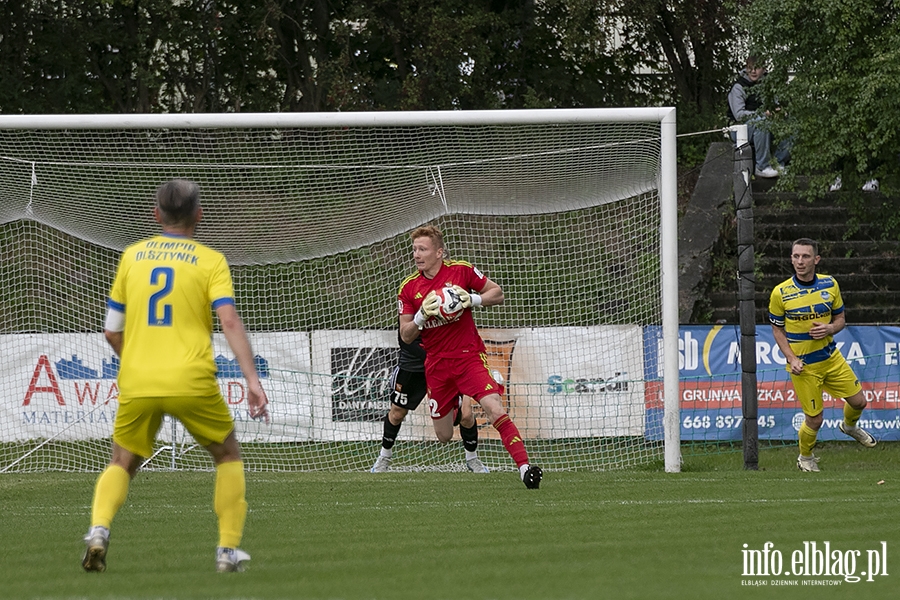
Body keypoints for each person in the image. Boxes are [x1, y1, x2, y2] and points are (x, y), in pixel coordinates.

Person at [82, 179, 269, 573]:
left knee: (121, 461)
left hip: (138, 380)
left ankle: (98, 530)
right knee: (227, 454)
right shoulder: (210, 260)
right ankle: (227, 551)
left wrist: (136, 361)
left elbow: (111, 331)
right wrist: (252, 380)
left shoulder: (132, 256)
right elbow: (229, 319)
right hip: (191, 379)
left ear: (156, 215)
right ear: (199, 215)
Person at [398, 225, 542, 489]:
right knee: (443, 435)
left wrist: (471, 300)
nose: (416, 255)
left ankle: (524, 468)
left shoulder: (461, 271)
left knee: (495, 408)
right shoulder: (409, 288)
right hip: (437, 365)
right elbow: (406, 335)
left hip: (468, 357)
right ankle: (457, 400)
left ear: (439, 252)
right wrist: (420, 316)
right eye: (414, 249)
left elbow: (497, 293)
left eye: (422, 249)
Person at [768, 238, 876, 472]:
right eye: (795, 256)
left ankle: (849, 427)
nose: (800, 261)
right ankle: (805, 458)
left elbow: (840, 320)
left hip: (831, 359)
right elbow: (777, 330)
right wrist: (791, 358)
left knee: (859, 402)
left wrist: (829, 329)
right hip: (804, 366)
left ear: (816, 260)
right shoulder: (781, 293)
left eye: (805, 256)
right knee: (815, 419)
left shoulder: (830, 284)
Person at [370, 331, 489, 474]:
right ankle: (385, 455)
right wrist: (431, 358)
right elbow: (405, 339)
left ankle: (472, 458)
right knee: (397, 414)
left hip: (447, 361)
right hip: (414, 364)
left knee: (466, 414)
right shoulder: (410, 308)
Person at [727, 54, 791, 178]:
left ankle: (778, 163)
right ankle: (762, 166)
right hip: (739, 129)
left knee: (791, 124)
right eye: (750, 68)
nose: (753, 71)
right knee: (762, 123)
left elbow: (777, 104)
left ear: (764, 69)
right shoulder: (739, 87)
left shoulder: (769, 85)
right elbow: (739, 115)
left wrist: (780, 111)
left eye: (757, 68)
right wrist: (763, 114)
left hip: (766, 123)